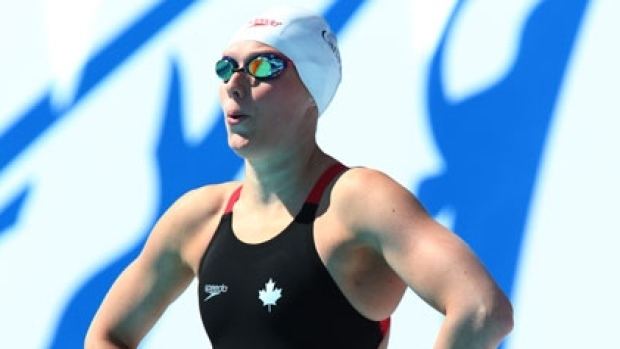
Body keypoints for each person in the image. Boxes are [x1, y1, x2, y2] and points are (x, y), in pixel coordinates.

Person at [85, 6, 513, 349]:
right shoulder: (200, 217)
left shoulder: (355, 201)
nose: (236, 82)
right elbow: (107, 336)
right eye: (225, 67)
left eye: (263, 67)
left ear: (313, 91)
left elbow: (482, 310)